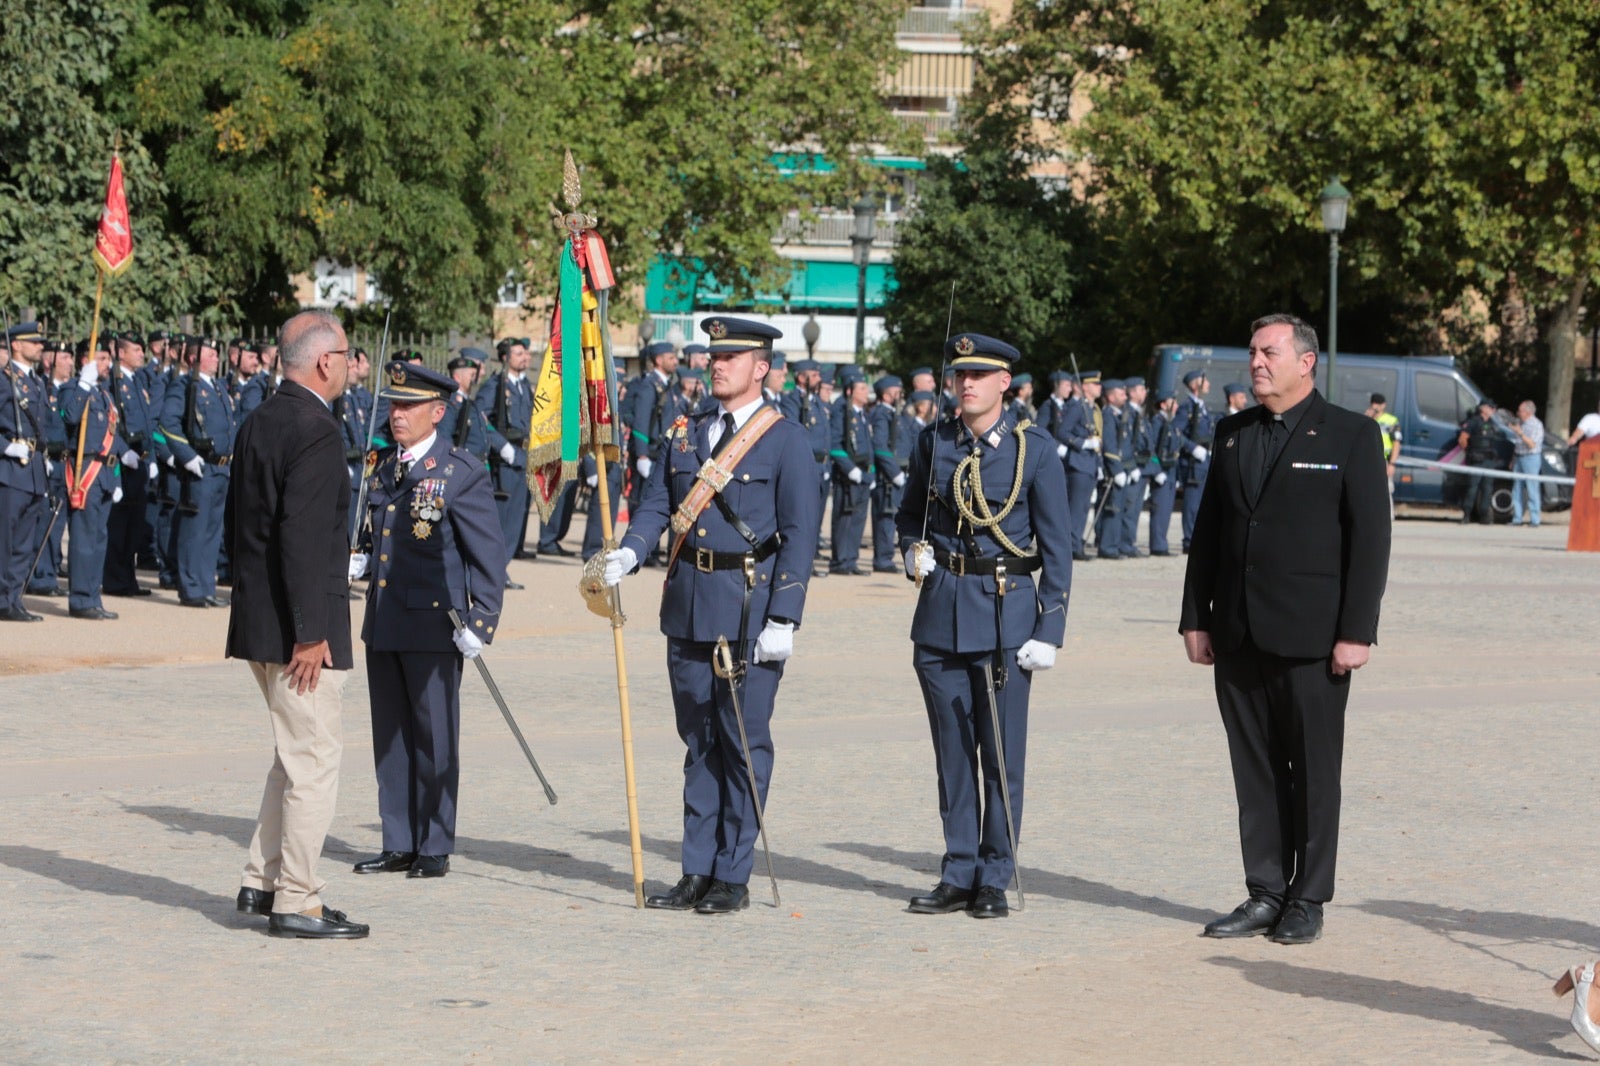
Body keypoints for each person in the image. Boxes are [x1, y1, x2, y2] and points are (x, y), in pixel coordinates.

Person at [1180, 313, 1390, 946]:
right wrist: (1196, 618)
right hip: (1239, 634)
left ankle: (1309, 897)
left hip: (1314, 640)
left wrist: (1357, 631)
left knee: (1315, 773)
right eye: (1252, 352)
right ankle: (1265, 891)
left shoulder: (1352, 436)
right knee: (1256, 771)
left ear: (1306, 362)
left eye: (1268, 352)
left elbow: (1370, 542)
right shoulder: (1232, 433)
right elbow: (1209, 535)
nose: (1256, 362)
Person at [602, 316, 820, 915]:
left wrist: (785, 617)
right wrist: (631, 549)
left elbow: (800, 536)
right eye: (713, 355)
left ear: (762, 368)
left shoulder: (785, 439)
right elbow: (657, 506)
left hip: (748, 608)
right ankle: (696, 868)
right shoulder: (686, 431)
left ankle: (733, 872)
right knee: (697, 742)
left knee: (742, 741)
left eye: (732, 356)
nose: (716, 364)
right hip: (689, 603)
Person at [895, 332, 1072, 919]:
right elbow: (908, 514)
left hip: (1004, 616)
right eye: (959, 374)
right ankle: (959, 869)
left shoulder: (1034, 450)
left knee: (999, 756)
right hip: (942, 612)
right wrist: (911, 549)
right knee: (952, 756)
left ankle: (995, 873)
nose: (965, 384)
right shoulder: (934, 442)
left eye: (979, 375)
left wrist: (1050, 629)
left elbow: (1058, 547)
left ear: (1005, 383)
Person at [224, 309, 368, 939]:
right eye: (346, 354)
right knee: (313, 761)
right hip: (299, 631)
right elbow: (301, 539)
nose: (350, 365)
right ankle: (298, 899)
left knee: (291, 757)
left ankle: (263, 881)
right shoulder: (316, 429)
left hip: (263, 619)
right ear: (324, 361)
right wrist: (312, 633)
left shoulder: (261, 419)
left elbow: (246, 529)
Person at [349, 361, 507, 881]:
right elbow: (384, 537)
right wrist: (363, 560)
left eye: (409, 406)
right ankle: (398, 838)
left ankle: (434, 842)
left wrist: (481, 621)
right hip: (386, 619)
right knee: (391, 735)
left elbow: (487, 555)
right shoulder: (383, 467)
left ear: (437, 412)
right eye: (394, 404)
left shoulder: (459, 472)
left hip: (436, 623)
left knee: (434, 734)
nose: (397, 414)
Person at [159, 335, 236, 608]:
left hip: (221, 469)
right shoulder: (184, 385)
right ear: (193, 359)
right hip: (200, 468)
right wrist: (187, 456)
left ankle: (206, 586)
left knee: (213, 531)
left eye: (217, 354)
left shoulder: (217, 387)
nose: (217, 358)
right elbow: (167, 423)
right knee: (194, 530)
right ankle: (191, 588)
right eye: (211, 354)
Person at [59, 339, 126, 620]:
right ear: (83, 362)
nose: (107, 363)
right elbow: (69, 417)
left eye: (108, 358)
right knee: (84, 540)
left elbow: (112, 439)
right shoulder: (73, 390)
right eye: (100, 358)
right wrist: (83, 385)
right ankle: (80, 599)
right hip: (85, 471)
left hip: (105, 475)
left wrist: (118, 476)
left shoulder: (105, 395)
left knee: (99, 539)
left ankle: (92, 596)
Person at [0, 322, 53, 621]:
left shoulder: (35, 382)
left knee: (24, 542)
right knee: (4, 540)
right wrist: (5, 447)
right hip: (10, 468)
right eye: (33, 342)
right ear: (16, 345)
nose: (40, 346)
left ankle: (12, 598)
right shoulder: (4, 380)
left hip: (32, 470)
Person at [104, 333, 157, 598]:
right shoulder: (112, 381)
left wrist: (154, 458)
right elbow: (110, 423)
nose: (141, 354)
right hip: (123, 463)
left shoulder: (137, 381)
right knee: (119, 524)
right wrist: (123, 452)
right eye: (136, 349)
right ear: (121, 353)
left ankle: (127, 578)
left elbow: (148, 424)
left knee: (135, 525)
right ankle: (114, 579)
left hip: (141, 462)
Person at [478, 338, 534, 576]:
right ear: (505, 358)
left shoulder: (524, 386)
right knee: (502, 520)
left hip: (525, 457)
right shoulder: (495, 385)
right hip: (506, 460)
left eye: (526, 353)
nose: (526, 357)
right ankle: (493, 571)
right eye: (519, 353)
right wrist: (501, 447)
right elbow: (481, 418)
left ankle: (501, 570)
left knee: (516, 519)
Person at [829, 368, 874, 575]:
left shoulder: (861, 414)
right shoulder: (842, 411)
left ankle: (851, 560)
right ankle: (840, 561)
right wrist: (850, 469)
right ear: (850, 391)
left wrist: (871, 472)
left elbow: (869, 446)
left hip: (863, 472)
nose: (866, 392)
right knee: (844, 519)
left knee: (857, 521)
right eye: (862, 388)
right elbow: (835, 444)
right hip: (848, 474)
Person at [1054, 369, 1102, 562]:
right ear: (1085, 387)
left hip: (1089, 464)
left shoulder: (1089, 408)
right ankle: (1072, 547)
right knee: (1076, 509)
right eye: (1095, 384)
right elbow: (1062, 432)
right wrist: (1083, 443)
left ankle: (1077, 544)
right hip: (1079, 464)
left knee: (1083, 509)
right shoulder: (1077, 407)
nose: (1099, 388)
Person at [1173, 368, 1215, 553]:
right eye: (1204, 380)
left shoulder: (1201, 406)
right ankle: (1189, 541)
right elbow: (1175, 433)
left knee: (1200, 504)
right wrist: (1192, 448)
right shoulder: (1187, 407)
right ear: (1194, 384)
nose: (1208, 384)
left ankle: (1196, 539)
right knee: (1191, 504)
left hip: (1204, 460)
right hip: (1192, 463)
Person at [869, 375, 908, 574]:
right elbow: (880, 446)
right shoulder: (881, 414)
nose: (900, 395)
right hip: (887, 477)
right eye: (895, 392)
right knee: (886, 517)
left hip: (896, 474)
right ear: (885, 395)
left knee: (892, 517)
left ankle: (885, 557)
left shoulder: (893, 414)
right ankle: (883, 559)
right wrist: (894, 473)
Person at [1145, 389, 1183, 555]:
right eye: (1172, 401)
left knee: (1166, 510)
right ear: (1163, 404)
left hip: (1171, 472)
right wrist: (1156, 470)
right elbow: (1151, 449)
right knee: (1160, 509)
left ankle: (1162, 543)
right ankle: (1158, 545)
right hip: (1162, 471)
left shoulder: (1169, 422)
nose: (1176, 405)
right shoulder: (1157, 422)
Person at [1498, 400, 1545, 527]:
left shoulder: (1536, 425)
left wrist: (1520, 433)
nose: (1518, 413)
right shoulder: (1521, 423)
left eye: (1520, 411)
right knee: (1516, 489)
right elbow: (1517, 444)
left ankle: (1535, 519)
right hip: (1519, 457)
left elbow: (1532, 445)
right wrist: (1513, 460)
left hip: (1531, 458)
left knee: (1532, 489)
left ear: (1528, 412)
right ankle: (1517, 518)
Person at [1458, 397, 1502, 524]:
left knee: (1487, 488)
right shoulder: (1473, 422)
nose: (1493, 410)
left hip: (1489, 460)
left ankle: (1484, 515)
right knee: (1472, 488)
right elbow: (1462, 439)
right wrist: (1469, 451)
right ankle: (1467, 514)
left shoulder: (1492, 424)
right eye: (1490, 407)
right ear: (1483, 408)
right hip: (1476, 459)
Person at [1365, 392, 1402, 517]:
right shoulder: (1367, 418)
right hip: (1369, 460)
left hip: (1385, 459)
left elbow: (1397, 443)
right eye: (1373, 403)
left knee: (1386, 489)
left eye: (1378, 403)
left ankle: (1388, 517)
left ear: (1383, 405)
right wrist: (1367, 417)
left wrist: (1392, 463)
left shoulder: (1391, 421)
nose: (1375, 406)